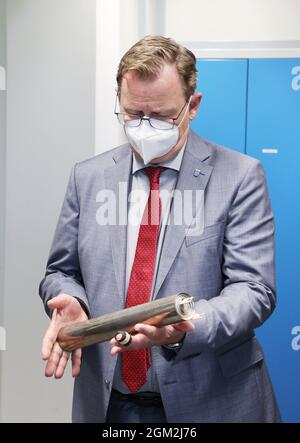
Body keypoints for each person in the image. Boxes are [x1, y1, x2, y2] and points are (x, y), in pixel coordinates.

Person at [39, 35, 281, 423]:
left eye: (163, 116)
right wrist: (74, 301)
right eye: (133, 115)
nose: (145, 128)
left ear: (192, 106)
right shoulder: (88, 177)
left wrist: (185, 327)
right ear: (119, 100)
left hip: (212, 396)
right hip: (108, 401)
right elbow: (60, 272)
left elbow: (254, 290)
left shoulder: (239, 176)